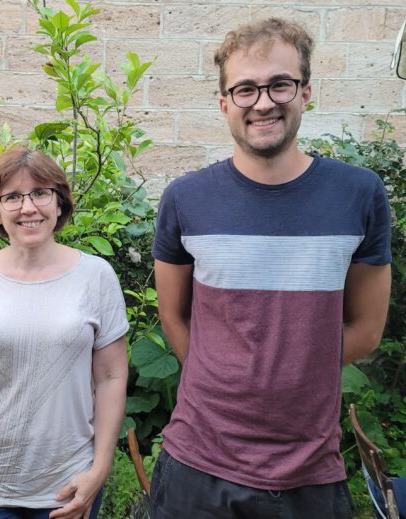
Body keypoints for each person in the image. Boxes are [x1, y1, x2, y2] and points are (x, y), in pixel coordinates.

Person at [151, 18, 392, 519]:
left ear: (306, 93)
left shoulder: (358, 193)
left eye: (279, 84)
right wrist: (225, 375)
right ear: (224, 104)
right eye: (244, 90)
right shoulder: (185, 199)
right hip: (197, 464)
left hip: (309, 469)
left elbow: (367, 329)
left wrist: (295, 370)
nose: (263, 102)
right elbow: (173, 315)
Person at [0, 147, 129, 519]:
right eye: (12, 197)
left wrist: (98, 471)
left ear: (59, 204)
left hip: (69, 488)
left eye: (40, 193)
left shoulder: (96, 277)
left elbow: (111, 377)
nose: (28, 208)